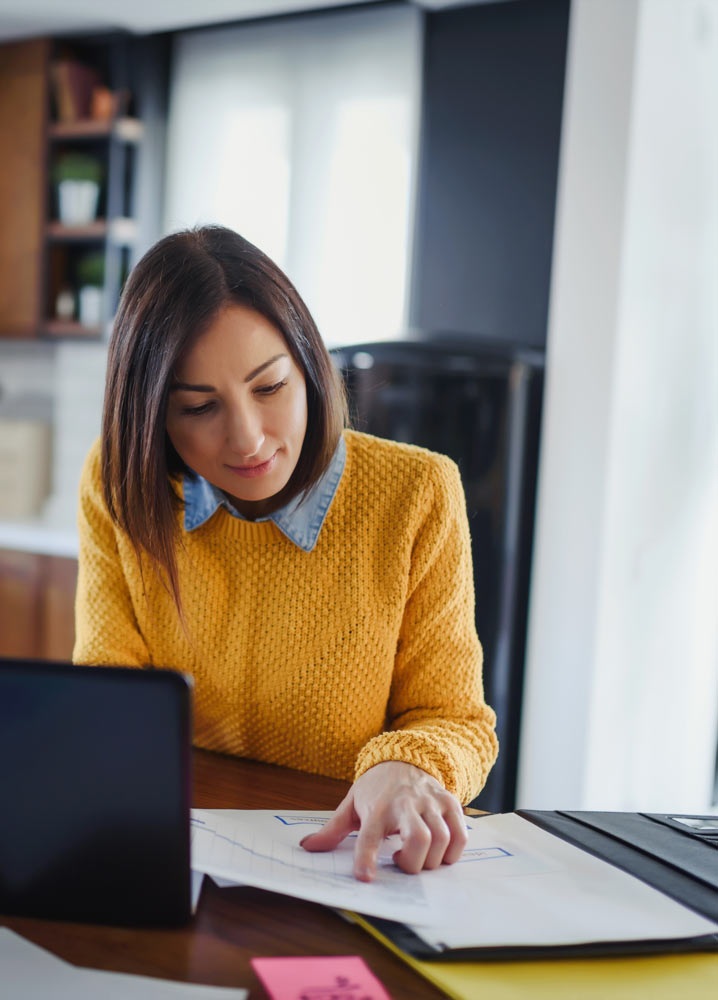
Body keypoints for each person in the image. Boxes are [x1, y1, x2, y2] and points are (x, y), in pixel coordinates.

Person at [73, 225, 498, 882]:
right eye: (198, 407)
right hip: (176, 857)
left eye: (269, 388)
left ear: (309, 364)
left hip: (351, 869)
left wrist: (408, 765)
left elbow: (457, 720)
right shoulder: (120, 485)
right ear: (154, 415)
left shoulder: (417, 492)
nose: (246, 439)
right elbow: (110, 703)